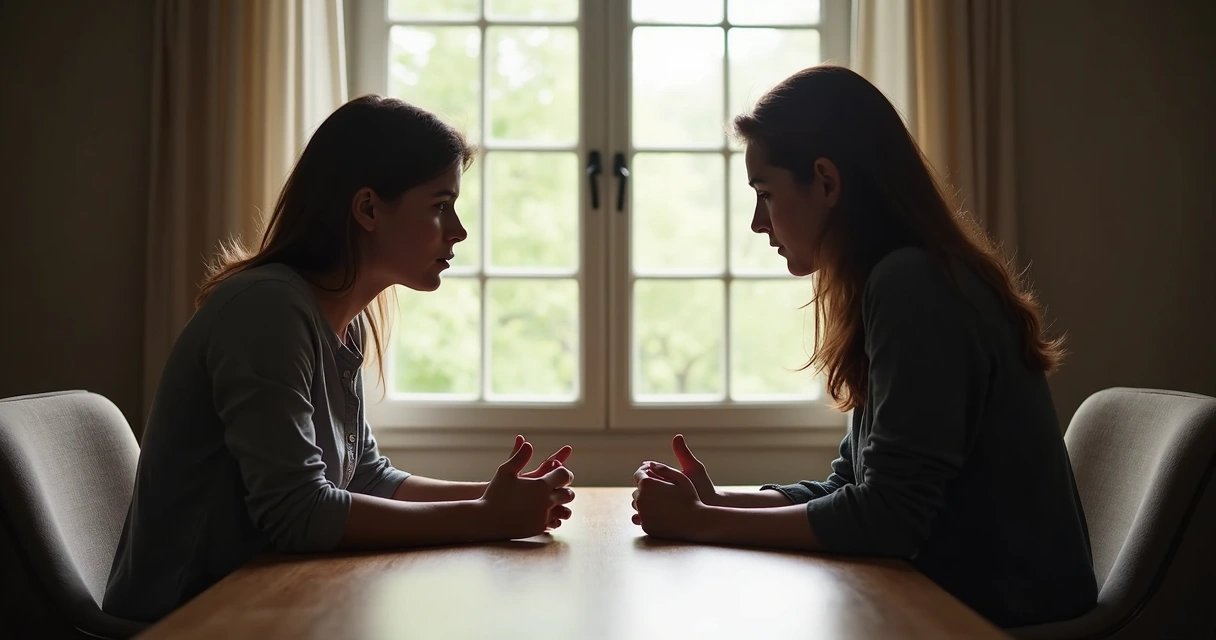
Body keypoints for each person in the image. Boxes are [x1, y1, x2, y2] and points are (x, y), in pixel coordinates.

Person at [629, 65, 1098, 629]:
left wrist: (702, 523)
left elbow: (887, 519)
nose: (758, 223)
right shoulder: (908, 276)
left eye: (766, 193)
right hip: (959, 598)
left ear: (826, 182)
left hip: (994, 619)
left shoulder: (913, 286)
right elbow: (850, 486)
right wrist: (719, 503)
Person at [103, 96, 576, 623]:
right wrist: (486, 518)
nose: (458, 230)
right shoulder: (267, 311)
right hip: (188, 621)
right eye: (441, 205)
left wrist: (498, 497)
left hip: (268, 604)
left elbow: (366, 478)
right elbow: (300, 515)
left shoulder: (334, 320)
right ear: (369, 208)